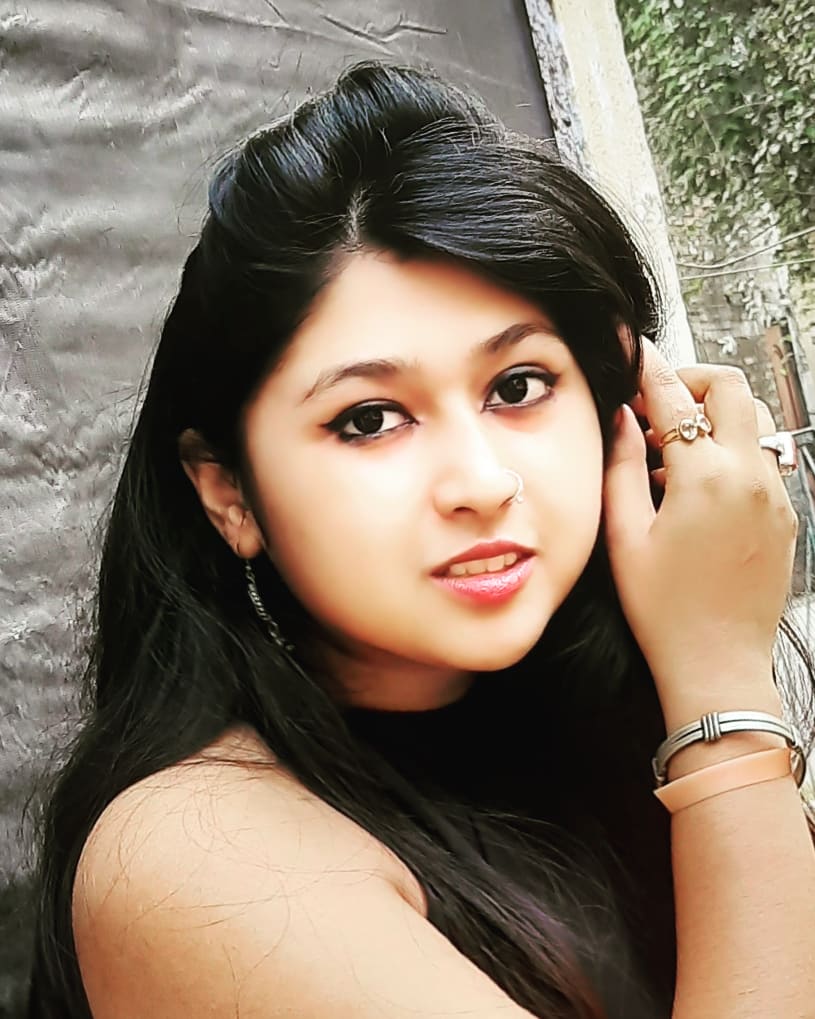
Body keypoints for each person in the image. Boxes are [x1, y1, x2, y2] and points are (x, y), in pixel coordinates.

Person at [25, 59, 815, 1019]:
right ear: (228, 491)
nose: (481, 482)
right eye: (368, 419)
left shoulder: (581, 723)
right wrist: (722, 686)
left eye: (517, 386)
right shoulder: (198, 855)